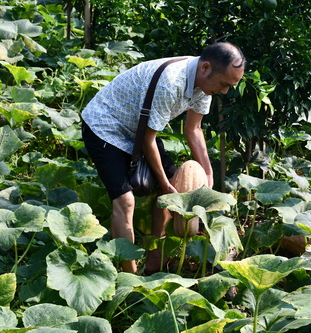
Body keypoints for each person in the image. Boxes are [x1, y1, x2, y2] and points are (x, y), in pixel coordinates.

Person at [81, 42, 246, 273]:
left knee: (172, 192)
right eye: (224, 84)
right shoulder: (172, 82)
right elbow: (149, 141)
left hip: (138, 128)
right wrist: (164, 183)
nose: (225, 91)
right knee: (125, 201)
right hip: (105, 125)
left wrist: (207, 173)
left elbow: (194, 129)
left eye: (231, 86)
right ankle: (130, 276)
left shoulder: (204, 85)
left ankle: (154, 260)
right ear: (206, 68)